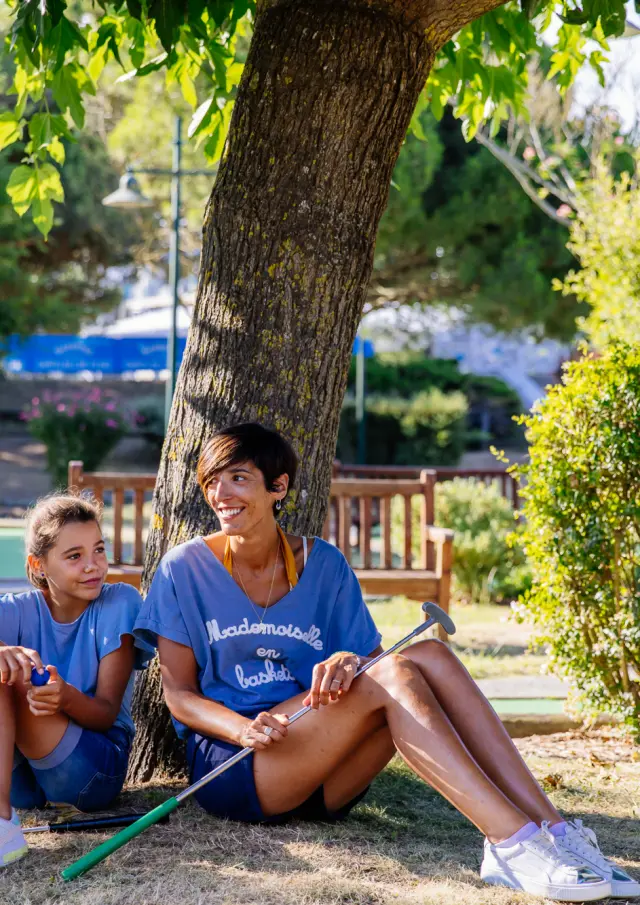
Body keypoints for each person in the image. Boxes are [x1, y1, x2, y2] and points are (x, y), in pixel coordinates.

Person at [134, 423, 638, 901]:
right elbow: (179, 696)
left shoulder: (324, 563)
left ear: (278, 486)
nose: (222, 495)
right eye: (212, 483)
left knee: (429, 654)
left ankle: (555, 831)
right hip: (241, 763)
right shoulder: (184, 568)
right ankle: (510, 843)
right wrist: (243, 730)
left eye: (238, 478)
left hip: (328, 771)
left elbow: (379, 666)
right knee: (397, 671)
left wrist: (346, 659)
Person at [0, 492, 152, 868]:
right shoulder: (17, 608)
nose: (93, 566)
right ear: (39, 565)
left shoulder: (119, 603)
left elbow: (104, 714)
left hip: (93, 769)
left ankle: (1, 827)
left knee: (16, 677)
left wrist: (64, 697)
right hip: (23, 781)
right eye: (74, 556)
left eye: (98, 550)